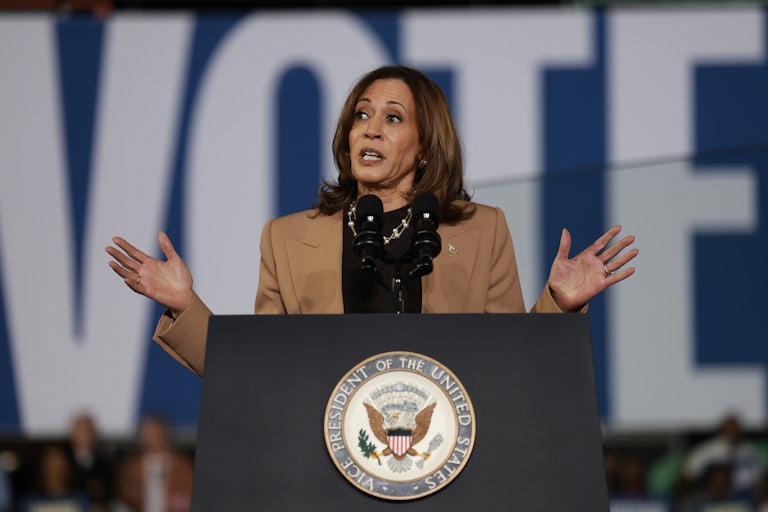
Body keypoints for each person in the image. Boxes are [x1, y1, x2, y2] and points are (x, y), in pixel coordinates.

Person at [106, 65, 638, 377]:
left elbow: (512, 366)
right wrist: (186, 307)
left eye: (393, 118)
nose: (371, 129)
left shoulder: (481, 231)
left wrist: (558, 304)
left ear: (425, 146)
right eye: (361, 115)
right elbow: (260, 373)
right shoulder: (287, 239)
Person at [115, 414, 194, 512]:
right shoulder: (132, 467)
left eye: (154, 432)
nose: (150, 437)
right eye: (146, 432)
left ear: (165, 433)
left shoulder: (183, 467)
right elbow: (124, 496)